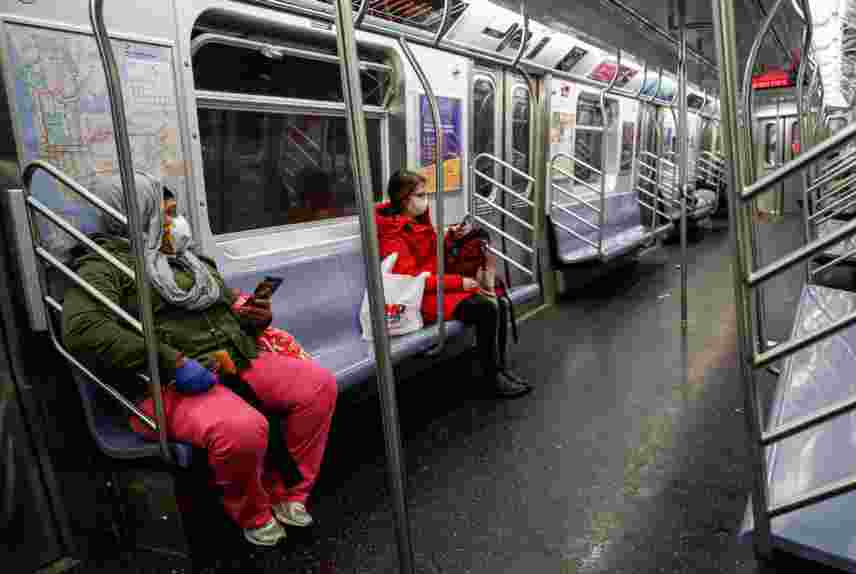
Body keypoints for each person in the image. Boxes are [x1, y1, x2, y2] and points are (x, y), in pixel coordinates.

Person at [62, 171, 338, 547]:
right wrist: (169, 360)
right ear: (137, 216)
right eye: (167, 213)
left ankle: (290, 492)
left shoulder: (191, 260)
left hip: (230, 359)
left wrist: (255, 321)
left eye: (176, 212)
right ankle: (251, 509)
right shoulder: (107, 267)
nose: (176, 222)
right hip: (166, 382)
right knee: (242, 428)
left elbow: (222, 317)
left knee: (317, 386)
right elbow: (82, 328)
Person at [374, 170, 531, 398]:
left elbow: (431, 256)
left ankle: (500, 369)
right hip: (417, 297)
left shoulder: (417, 222)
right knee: (485, 308)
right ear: (404, 199)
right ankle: (491, 378)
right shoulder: (393, 235)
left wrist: (451, 238)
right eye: (420, 195)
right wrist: (460, 282)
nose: (425, 200)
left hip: (435, 288)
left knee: (498, 301)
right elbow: (410, 280)